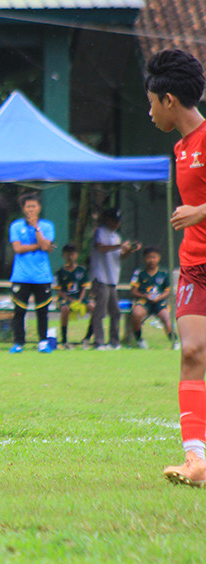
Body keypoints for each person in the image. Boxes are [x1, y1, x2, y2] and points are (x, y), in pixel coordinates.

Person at [146, 48, 206, 486]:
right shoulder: (180, 148)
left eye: (151, 103)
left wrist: (200, 212)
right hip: (194, 267)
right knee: (191, 352)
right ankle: (196, 460)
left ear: (169, 100)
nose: (149, 112)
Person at [8, 193, 55, 353]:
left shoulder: (47, 226)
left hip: (41, 276)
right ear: (23, 209)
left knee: (42, 311)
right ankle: (18, 343)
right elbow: (17, 248)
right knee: (19, 311)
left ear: (39, 208)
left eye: (33, 206)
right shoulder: (16, 226)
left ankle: (43, 342)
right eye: (28, 207)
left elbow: (44, 245)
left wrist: (36, 228)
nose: (31, 210)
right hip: (21, 275)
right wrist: (40, 246)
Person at [88, 208, 140, 350]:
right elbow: (101, 248)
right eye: (114, 221)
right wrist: (119, 246)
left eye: (118, 221)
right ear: (108, 220)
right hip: (101, 277)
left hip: (112, 278)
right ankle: (99, 342)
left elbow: (120, 256)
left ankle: (114, 342)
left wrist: (129, 250)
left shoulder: (116, 236)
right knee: (100, 311)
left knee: (116, 312)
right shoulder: (100, 232)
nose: (117, 224)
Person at [129, 246, 175, 349]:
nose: (151, 260)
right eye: (148, 257)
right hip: (144, 300)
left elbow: (168, 291)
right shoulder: (139, 273)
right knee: (136, 314)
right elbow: (133, 291)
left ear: (159, 258)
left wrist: (158, 298)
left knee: (166, 317)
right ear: (144, 258)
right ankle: (139, 340)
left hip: (159, 301)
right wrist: (145, 296)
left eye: (154, 257)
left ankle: (174, 341)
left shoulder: (164, 273)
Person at [55, 243, 91, 349]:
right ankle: (64, 340)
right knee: (65, 309)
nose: (70, 257)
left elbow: (84, 287)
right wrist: (69, 299)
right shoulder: (60, 272)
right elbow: (58, 290)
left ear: (76, 255)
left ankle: (87, 338)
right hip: (65, 298)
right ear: (63, 255)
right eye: (67, 254)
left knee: (94, 308)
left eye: (72, 254)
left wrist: (80, 300)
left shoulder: (81, 270)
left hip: (79, 298)